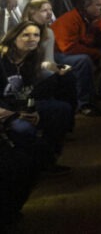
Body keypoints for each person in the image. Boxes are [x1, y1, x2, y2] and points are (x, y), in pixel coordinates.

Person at [0, 20, 74, 173]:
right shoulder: (2, 59)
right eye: (26, 35)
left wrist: (30, 110)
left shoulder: (31, 59)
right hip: (3, 110)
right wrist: (15, 114)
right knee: (23, 128)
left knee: (61, 110)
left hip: (17, 105)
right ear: (14, 37)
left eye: (36, 35)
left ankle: (48, 159)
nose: (32, 39)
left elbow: (28, 91)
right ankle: (28, 166)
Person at [23, 0, 101, 116]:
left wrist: (59, 68)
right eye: (44, 10)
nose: (49, 13)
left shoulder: (48, 32)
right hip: (27, 69)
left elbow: (48, 60)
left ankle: (81, 106)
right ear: (32, 12)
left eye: (50, 10)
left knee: (68, 74)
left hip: (45, 64)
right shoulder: (23, 31)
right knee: (58, 75)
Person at [51, 0, 101, 101]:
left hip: (77, 49)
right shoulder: (69, 19)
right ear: (86, 6)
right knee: (83, 59)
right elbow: (68, 48)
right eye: (98, 5)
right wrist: (97, 54)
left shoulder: (97, 19)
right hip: (57, 54)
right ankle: (85, 101)